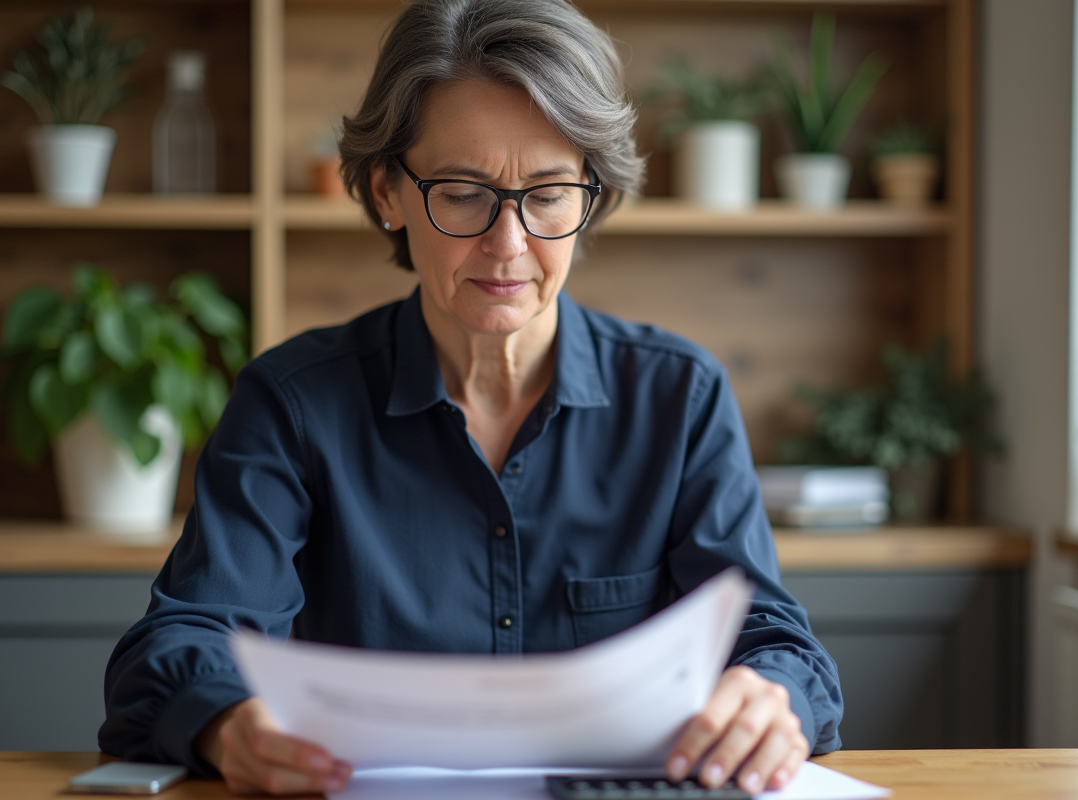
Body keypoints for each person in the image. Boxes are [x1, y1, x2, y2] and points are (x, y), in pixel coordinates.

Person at [100, 0, 843, 794]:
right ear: (388, 192)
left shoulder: (679, 397)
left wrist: (769, 697)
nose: (509, 243)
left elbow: (778, 642)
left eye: (550, 193)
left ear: (594, 196)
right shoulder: (291, 403)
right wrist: (226, 721)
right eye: (462, 192)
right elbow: (178, 641)